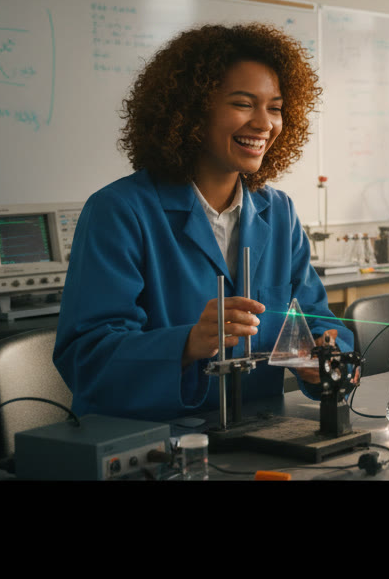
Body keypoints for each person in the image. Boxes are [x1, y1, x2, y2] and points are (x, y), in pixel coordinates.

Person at [54, 23, 353, 423]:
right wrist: (189, 343)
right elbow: (87, 359)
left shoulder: (278, 212)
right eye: (243, 103)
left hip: (257, 434)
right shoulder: (119, 211)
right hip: (150, 439)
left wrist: (325, 354)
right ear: (191, 110)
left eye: (275, 108)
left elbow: (317, 319)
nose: (264, 124)